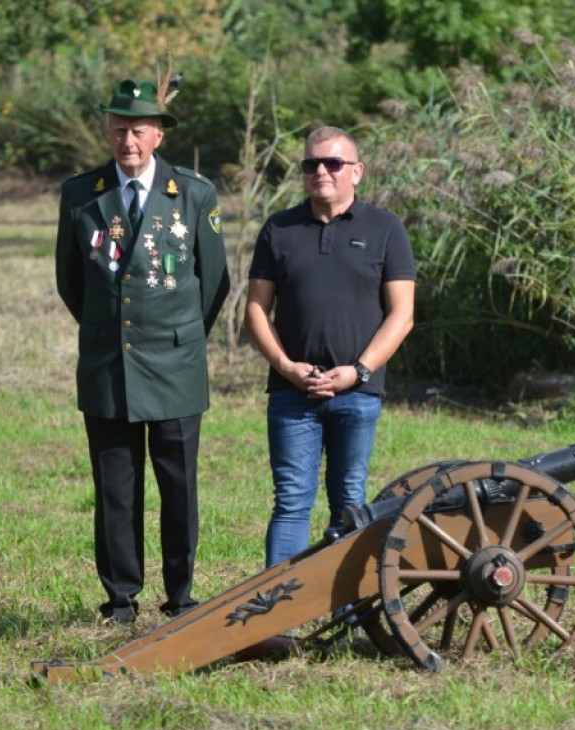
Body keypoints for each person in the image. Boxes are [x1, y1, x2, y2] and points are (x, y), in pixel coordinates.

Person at [55, 76, 230, 624]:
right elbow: (71, 281)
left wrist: (174, 335)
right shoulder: (81, 194)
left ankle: (180, 595)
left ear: (158, 134)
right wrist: (113, 332)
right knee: (116, 488)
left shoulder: (194, 193)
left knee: (178, 487)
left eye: (137, 131)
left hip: (176, 366)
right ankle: (121, 597)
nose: (126, 141)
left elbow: (214, 282)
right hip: (109, 365)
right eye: (116, 130)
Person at [244, 126, 415, 568]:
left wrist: (357, 371)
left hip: (357, 393)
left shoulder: (386, 229)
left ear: (356, 172)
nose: (320, 171)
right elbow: (256, 310)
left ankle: (350, 616)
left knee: (350, 500)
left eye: (333, 163)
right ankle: (277, 618)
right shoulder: (278, 229)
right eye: (311, 164)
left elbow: (402, 315)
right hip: (291, 393)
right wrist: (286, 367)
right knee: (291, 502)